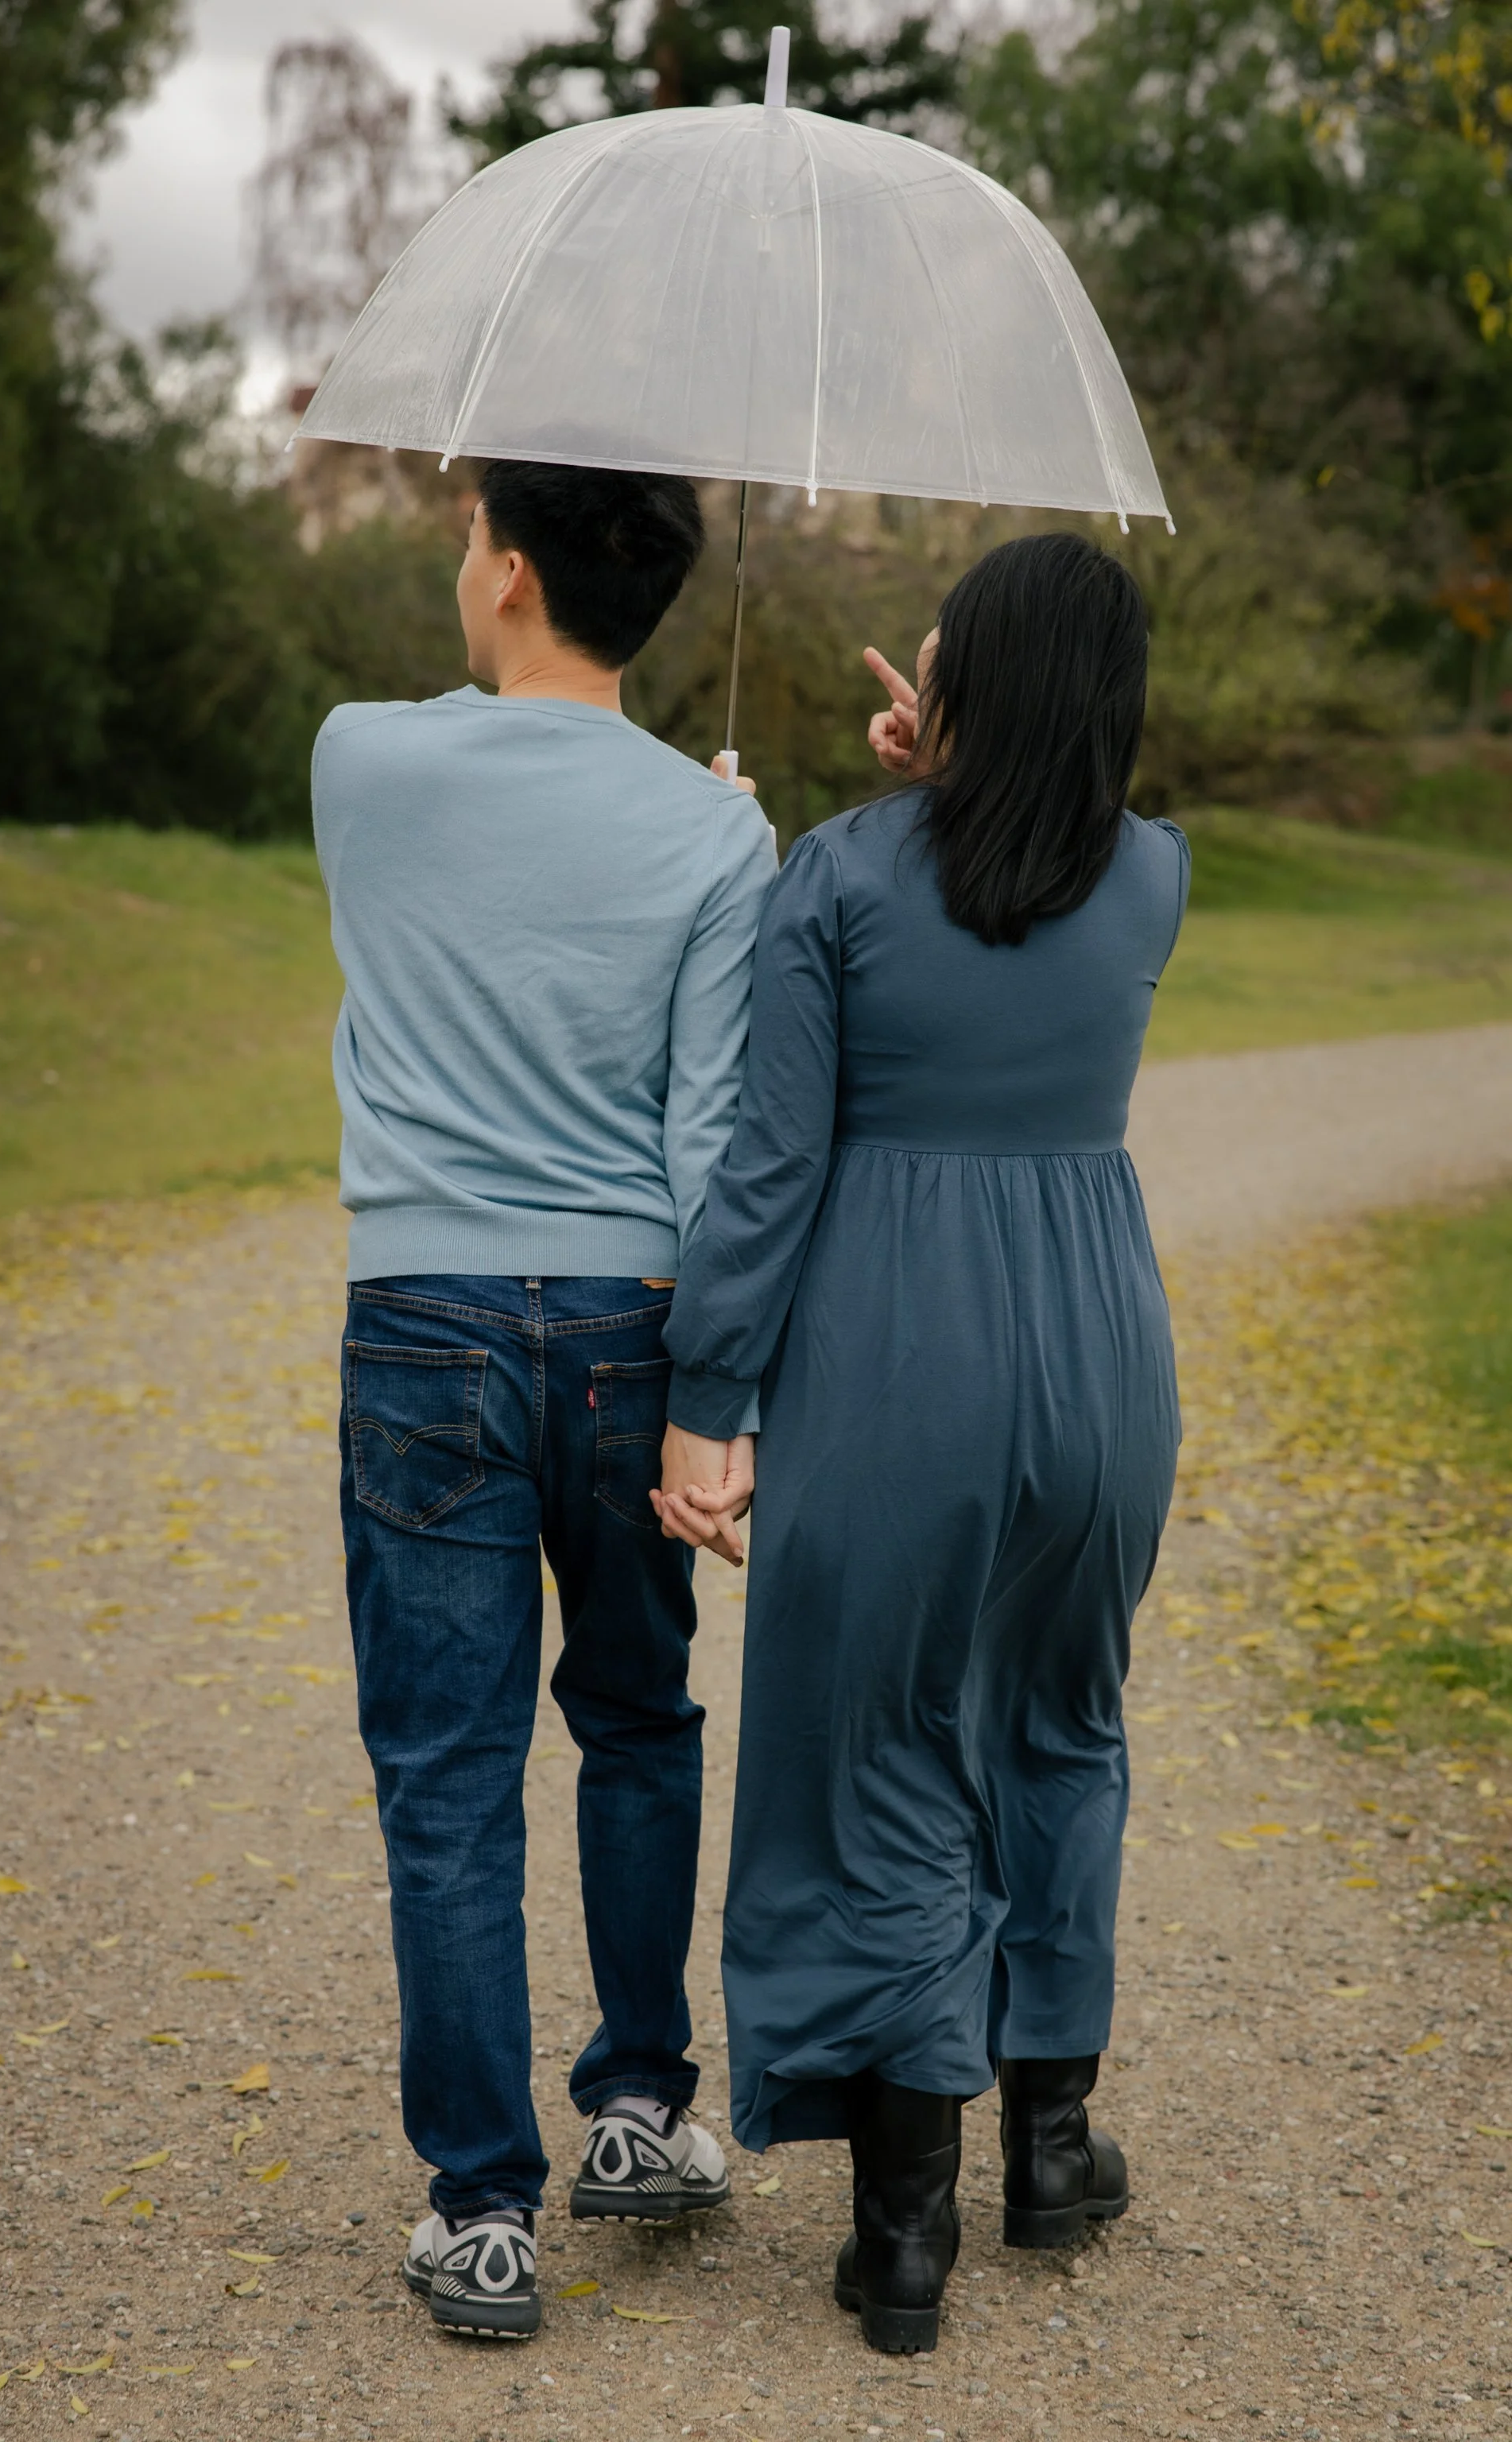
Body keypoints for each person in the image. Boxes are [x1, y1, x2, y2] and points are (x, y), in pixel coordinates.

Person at [653, 532, 1188, 2355]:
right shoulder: (1156, 880)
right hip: (1102, 1360)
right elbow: (1051, 854)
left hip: (899, 1353)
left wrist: (707, 1400)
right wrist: (975, 770)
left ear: (963, 689)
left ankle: (904, 2235)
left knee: (881, 1751)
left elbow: (770, 1170)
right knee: (1061, 1720)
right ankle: (1049, 2149)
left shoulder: (838, 882)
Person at [315, 461, 777, 2339]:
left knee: (445, 1771)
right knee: (638, 1722)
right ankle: (641, 2108)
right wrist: (717, 832)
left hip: (420, 1312)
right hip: (628, 1320)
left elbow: (465, 770)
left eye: (461, 540)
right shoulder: (716, 837)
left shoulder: (363, 760)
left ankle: (478, 2206)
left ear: (506, 573)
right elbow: (710, 1138)